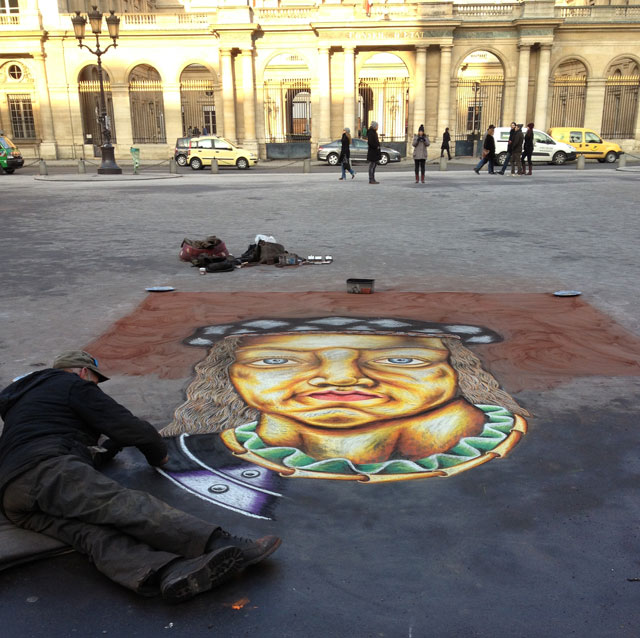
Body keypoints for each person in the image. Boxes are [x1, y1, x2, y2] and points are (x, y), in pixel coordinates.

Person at [0, 351, 281, 603]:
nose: (94, 387)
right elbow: (130, 427)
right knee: (123, 506)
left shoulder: (24, 401)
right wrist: (158, 455)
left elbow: (57, 438)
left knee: (89, 534)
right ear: (84, 372)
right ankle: (225, 544)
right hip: (46, 470)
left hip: (11, 494)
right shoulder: (72, 385)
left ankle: (164, 572)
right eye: (95, 381)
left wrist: (105, 450)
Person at [162, 317, 529, 482]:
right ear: (227, 374)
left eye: (401, 360)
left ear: (458, 370)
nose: (341, 378)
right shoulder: (198, 461)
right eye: (276, 360)